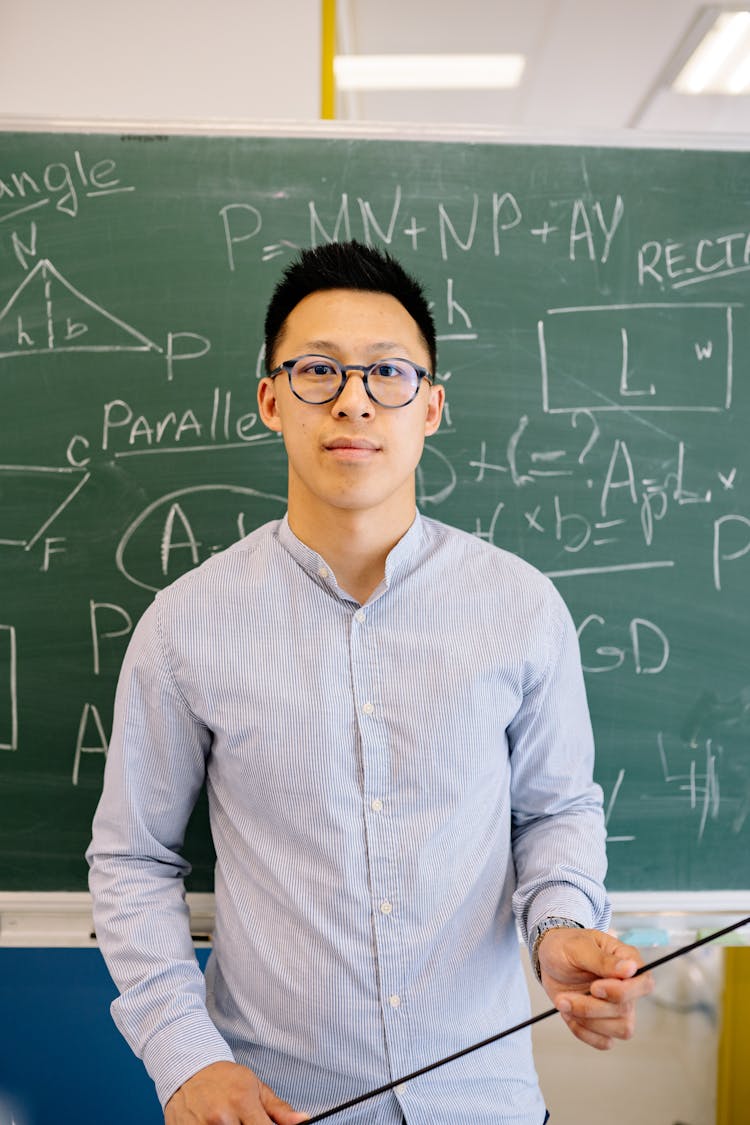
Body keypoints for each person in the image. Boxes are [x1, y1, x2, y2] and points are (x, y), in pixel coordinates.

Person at [87, 240, 653, 1125]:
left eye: (388, 372)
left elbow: (554, 811)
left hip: (487, 1104)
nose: (353, 397)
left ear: (431, 407)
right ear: (272, 399)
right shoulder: (186, 624)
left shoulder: (520, 606)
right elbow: (134, 858)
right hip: (277, 1105)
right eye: (318, 370)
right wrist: (184, 1057)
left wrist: (560, 928)